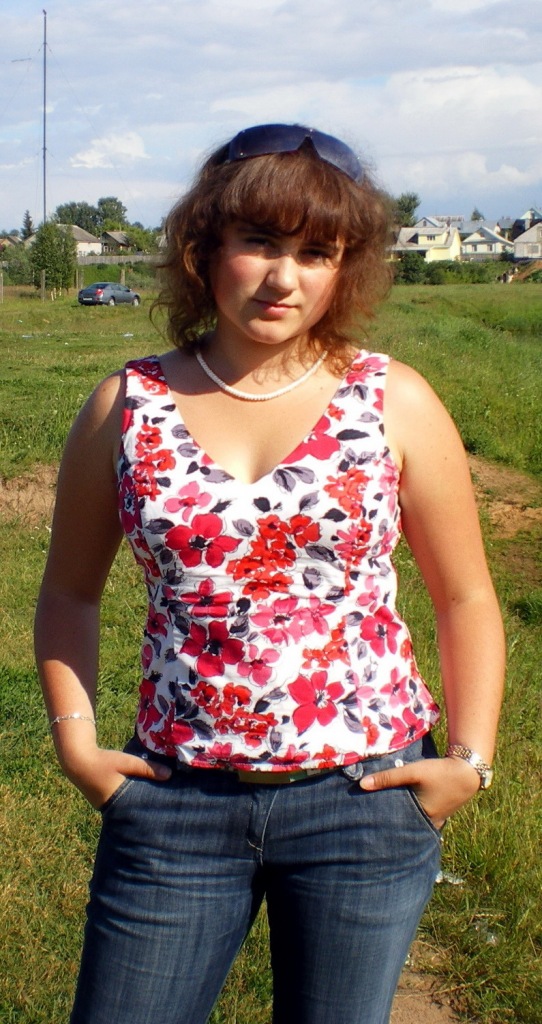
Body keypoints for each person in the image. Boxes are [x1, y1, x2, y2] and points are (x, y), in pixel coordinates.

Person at [35, 123, 505, 1024]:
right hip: (173, 803)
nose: (284, 278)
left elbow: (467, 595)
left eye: (316, 253)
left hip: (365, 803)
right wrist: (77, 745)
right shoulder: (126, 405)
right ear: (205, 246)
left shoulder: (393, 399)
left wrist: (469, 762)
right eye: (259, 242)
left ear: (344, 269)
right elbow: (68, 593)